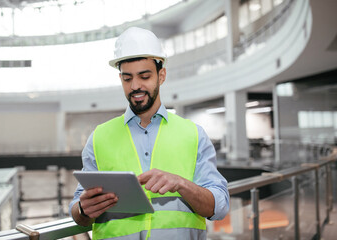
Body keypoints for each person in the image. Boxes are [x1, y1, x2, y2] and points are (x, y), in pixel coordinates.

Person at [69, 27, 229, 240]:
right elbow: (79, 211)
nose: (135, 86)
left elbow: (219, 206)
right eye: (127, 79)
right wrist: (83, 209)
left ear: (161, 75)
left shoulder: (193, 134)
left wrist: (181, 184)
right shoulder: (100, 137)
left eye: (144, 76)